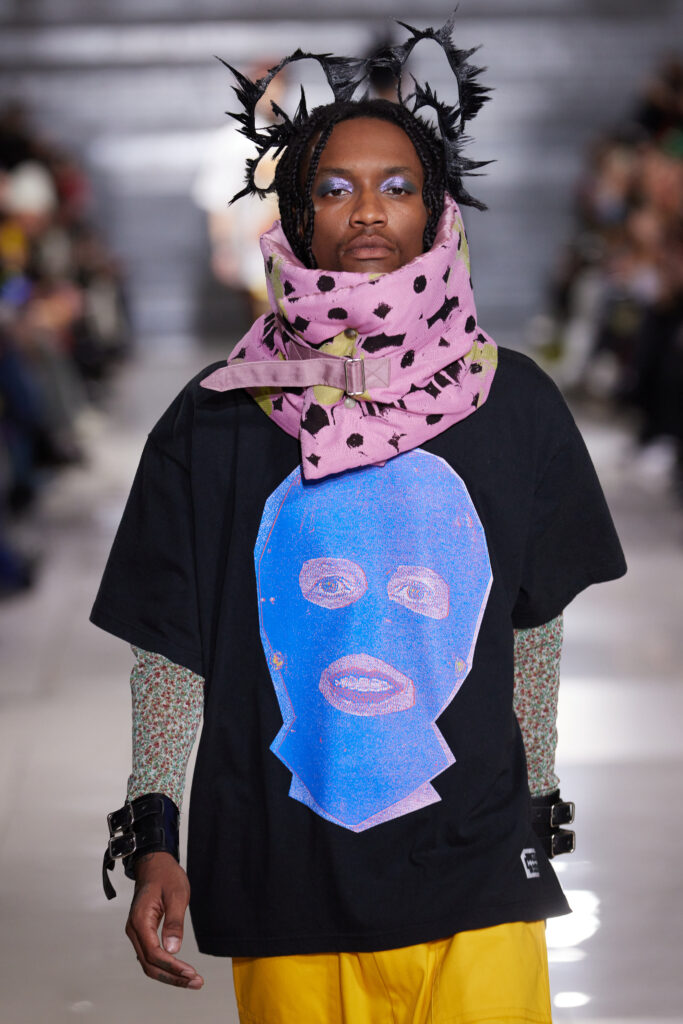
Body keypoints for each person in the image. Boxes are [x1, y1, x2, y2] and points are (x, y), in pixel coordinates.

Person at [94, 16, 626, 1023]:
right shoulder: (216, 419)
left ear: (437, 210)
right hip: (283, 869)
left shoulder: (511, 403)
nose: (368, 211)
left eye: (398, 187)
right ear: (295, 215)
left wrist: (538, 797)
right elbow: (170, 646)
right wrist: (154, 829)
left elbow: (530, 628)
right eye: (334, 189)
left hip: (475, 865)